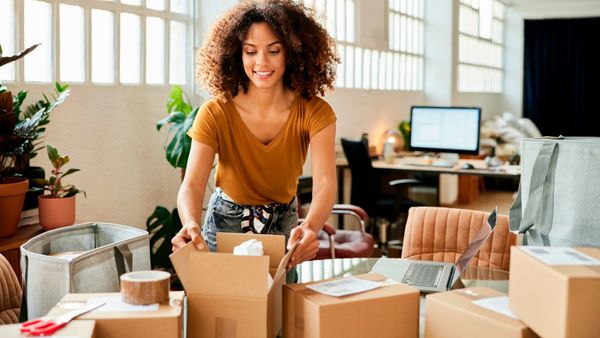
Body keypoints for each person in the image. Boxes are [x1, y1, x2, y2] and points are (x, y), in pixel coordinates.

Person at [171, 0, 339, 271]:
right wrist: (190, 223)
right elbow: (192, 184)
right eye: (250, 52)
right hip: (223, 223)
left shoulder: (315, 112)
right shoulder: (215, 112)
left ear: (293, 53)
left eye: (274, 51)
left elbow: (324, 184)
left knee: (280, 309)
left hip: (284, 224)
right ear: (237, 54)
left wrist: (310, 226)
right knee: (221, 307)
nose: (261, 62)